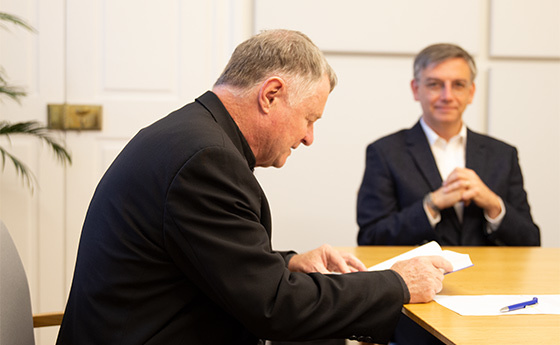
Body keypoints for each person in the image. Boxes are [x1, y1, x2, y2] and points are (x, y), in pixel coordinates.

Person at [56, 30, 452, 345]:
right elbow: (276, 308)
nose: (309, 137)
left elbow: (206, 255)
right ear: (271, 95)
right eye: (309, 118)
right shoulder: (206, 160)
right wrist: (399, 282)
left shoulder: (192, 135)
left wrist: (289, 262)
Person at [356, 43, 541, 344]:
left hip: (491, 304)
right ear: (416, 89)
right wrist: (430, 205)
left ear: (471, 92)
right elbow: (371, 237)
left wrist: (494, 205)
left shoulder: (502, 154)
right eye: (434, 84)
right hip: (414, 308)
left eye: (458, 85)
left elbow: (531, 241)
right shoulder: (385, 152)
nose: (446, 95)